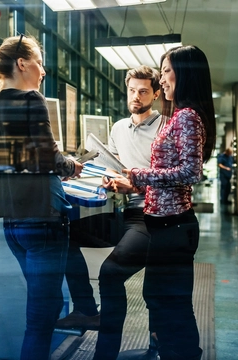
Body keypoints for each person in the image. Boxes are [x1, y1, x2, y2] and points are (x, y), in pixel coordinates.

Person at [0, 34, 83, 360]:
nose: (43, 70)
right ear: (22, 64)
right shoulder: (32, 99)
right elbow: (47, 158)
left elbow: (8, 162)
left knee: (46, 304)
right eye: (39, 61)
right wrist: (72, 164)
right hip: (43, 219)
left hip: (13, 224)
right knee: (39, 318)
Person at [114, 45, 217, 360]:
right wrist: (136, 179)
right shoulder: (181, 115)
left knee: (170, 302)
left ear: (184, 73)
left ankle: (181, 354)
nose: (163, 78)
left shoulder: (186, 116)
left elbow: (191, 171)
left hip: (174, 226)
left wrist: (139, 176)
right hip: (165, 224)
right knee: (162, 298)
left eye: (167, 71)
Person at [57, 66, 162, 358]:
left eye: (143, 91)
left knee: (111, 272)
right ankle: (86, 309)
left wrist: (134, 185)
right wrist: (107, 178)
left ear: (155, 93)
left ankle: (104, 354)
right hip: (126, 213)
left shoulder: (165, 127)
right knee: (62, 234)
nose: (136, 97)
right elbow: (114, 167)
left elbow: (169, 177)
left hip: (152, 217)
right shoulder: (118, 128)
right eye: (132, 90)